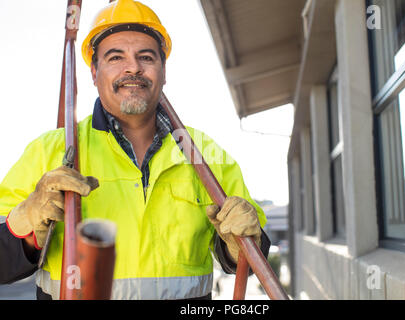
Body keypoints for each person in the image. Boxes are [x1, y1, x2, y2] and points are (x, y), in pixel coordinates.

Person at [0, 0, 270, 300]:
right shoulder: (50, 151)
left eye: (146, 57)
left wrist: (239, 245)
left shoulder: (205, 153)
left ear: (163, 72)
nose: (133, 68)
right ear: (94, 72)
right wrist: (26, 222)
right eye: (116, 57)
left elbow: (253, 255)